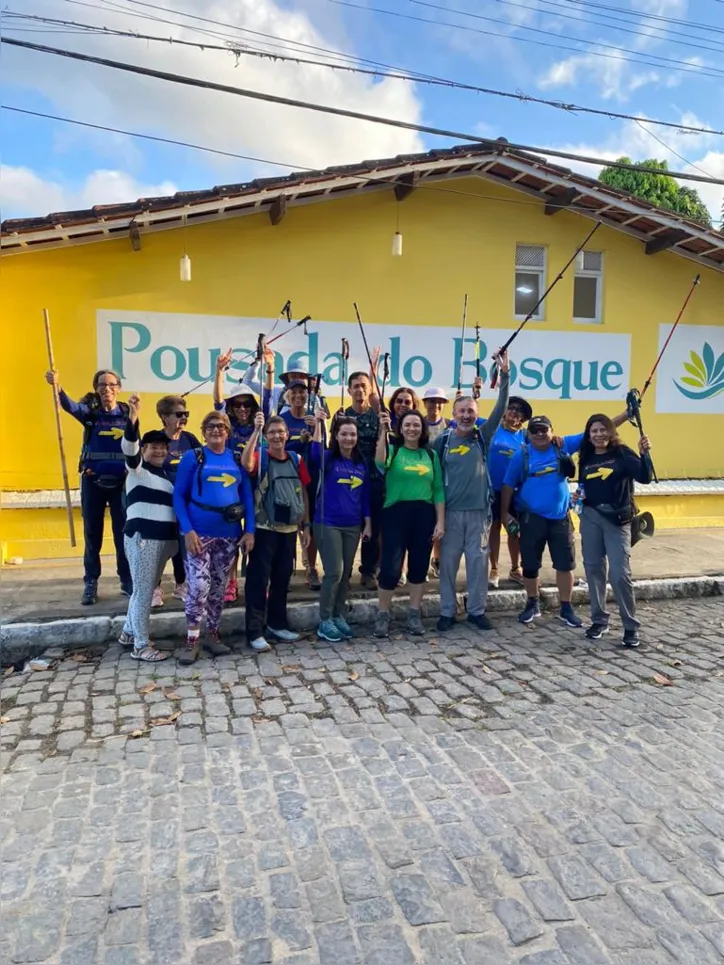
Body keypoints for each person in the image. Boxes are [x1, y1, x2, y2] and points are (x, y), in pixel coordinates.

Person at [433, 350, 510, 633]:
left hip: (479, 514)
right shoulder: (442, 442)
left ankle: (477, 611)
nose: (466, 415)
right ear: (453, 415)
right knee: (449, 566)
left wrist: (505, 375)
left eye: (471, 412)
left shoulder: (483, 437)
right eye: (462, 411)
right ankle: (447, 611)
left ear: (477, 416)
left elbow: (501, 407)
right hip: (451, 514)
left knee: (478, 565)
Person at [45, 367, 132, 605]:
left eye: (112, 385)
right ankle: (91, 582)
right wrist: (58, 386)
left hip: (121, 483)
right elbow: (70, 406)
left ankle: (126, 579)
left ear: (118, 388)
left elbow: (137, 445)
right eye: (102, 385)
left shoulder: (127, 413)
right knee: (93, 534)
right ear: (96, 389)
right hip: (93, 480)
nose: (107, 389)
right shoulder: (90, 413)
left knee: (122, 534)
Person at [174, 412, 255, 664]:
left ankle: (213, 635)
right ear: (203, 430)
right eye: (210, 426)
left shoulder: (235, 458)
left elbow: (248, 498)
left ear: (228, 431)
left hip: (229, 535)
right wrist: (187, 530)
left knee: (219, 589)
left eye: (221, 426)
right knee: (198, 588)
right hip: (198, 534)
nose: (216, 430)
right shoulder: (193, 458)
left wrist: (249, 530)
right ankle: (191, 641)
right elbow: (179, 496)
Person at [500, 415, 586, 627]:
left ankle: (566, 607)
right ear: (528, 434)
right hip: (531, 519)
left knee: (565, 564)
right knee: (530, 565)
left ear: (551, 430)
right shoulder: (521, 455)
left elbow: (596, 429)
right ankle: (532, 603)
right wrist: (504, 513)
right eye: (535, 430)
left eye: (544, 429)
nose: (540, 433)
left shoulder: (562, 446)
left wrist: (627, 414)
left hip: (560, 519)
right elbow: (508, 484)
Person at [577, 414, 653, 648]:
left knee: (620, 574)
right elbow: (584, 485)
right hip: (590, 517)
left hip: (617, 520)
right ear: (589, 435)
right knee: (593, 570)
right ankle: (599, 620)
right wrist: (578, 498)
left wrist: (645, 454)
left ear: (611, 432)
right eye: (594, 431)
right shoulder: (586, 456)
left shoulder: (622, 453)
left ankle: (630, 627)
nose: (599, 435)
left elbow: (645, 477)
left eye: (603, 430)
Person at [242, 413, 312, 652]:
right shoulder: (260, 457)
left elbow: (302, 491)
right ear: (266, 436)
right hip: (265, 529)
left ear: (287, 434)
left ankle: (277, 624)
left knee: (282, 579)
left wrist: (306, 525)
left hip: (290, 530)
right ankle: (254, 630)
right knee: (258, 582)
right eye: (271, 432)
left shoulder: (295, 458)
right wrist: (255, 430)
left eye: (280, 432)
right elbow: (246, 465)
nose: (277, 436)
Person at [373, 409, 445, 638]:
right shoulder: (393, 451)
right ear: (400, 428)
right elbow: (379, 463)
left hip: (424, 515)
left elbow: (438, 490)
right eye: (407, 425)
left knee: (419, 566)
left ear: (423, 429)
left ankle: (414, 613)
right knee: (391, 567)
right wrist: (383, 430)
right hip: (395, 513)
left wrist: (440, 521)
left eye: (416, 425)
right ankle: (383, 614)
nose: (412, 428)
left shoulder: (431, 456)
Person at [118, 395, 177, 662]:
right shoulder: (137, 470)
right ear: (143, 450)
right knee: (142, 591)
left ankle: (129, 632)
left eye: (163, 447)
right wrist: (133, 417)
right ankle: (141, 646)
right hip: (143, 538)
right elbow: (129, 448)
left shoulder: (165, 477)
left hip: (164, 541)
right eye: (153, 447)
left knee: (144, 587)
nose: (159, 451)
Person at [309, 414, 371, 642]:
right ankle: (324, 620)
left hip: (353, 525)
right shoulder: (328, 458)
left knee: (345, 574)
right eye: (343, 434)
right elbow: (314, 453)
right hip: (328, 523)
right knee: (334, 571)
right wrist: (318, 423)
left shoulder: (360, 462)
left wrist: (368, 523)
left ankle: (337, 615)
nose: (348, 438)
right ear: (336, 436)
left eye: (352, 434)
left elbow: (365, 496)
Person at [213, 350, 263, 603]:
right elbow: (218, 402)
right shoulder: (227, 425)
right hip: (231, 487)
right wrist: (219, 372)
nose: (242, 408)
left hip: (254, 485)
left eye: (247, 404)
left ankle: (256, 580)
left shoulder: (258, 426)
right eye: (237, 404)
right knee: (233, 535)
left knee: (255, 536)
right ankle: (231, 582)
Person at [152, 395, 201, 607]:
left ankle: (182, 584)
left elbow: (202, 462)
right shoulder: (156, 440)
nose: (183, 418)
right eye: (178, 415)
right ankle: (155, 587)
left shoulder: (190, 439)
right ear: (164, 417)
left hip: (185, 502)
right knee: (161, 545)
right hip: (162, 501)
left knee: (182, 545)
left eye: (186, 414)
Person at [277, 379, 322, 590]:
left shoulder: (312, 419)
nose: (298, 396)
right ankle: (284, 571)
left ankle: (311, 568)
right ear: (288, 395)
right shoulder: (282, 419)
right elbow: (277, 447)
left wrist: (316, 431)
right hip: (285, 479)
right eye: (294, 392)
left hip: (309, 479)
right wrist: (299, 442)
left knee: (307, 525)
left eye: (302, 393)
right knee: (286, 528)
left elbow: (322, 450)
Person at [487, 395, 533, 589]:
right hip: (491, 490)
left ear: (522, 419)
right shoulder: (491, 428)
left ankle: (515, 569)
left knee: (514, 531)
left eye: (519, 411)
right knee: (494, 528)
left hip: (514, 492)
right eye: (511, 408)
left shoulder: (525, 437)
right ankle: (494, 569)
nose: (513, 412)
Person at [342, 370, 382, 590]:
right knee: (348, 529)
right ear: (349, 390)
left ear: (369, 390)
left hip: (374, 480)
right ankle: (344, 572)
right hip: (347, 481)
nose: (360, 390)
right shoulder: (342, 416)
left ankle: (368, 571)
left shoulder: (377, 417)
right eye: (355, 386)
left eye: (364, 386)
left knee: (372, 531)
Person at [422, 387, 450, 577]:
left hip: (442, 481)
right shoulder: (418, 424)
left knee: (440, 523)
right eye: (431, 401)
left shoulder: (449, 425)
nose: (436, 405)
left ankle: (437, 559)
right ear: (425, 403)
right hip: (420, 480)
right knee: (423, 525)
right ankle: (417, 563)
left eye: (439, 402)